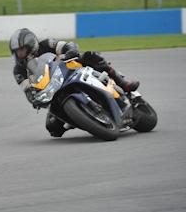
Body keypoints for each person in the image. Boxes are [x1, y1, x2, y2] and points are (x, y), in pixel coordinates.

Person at [9, 28, 140, 137]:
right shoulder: (19, 70)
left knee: (91, 56)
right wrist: (33, 97)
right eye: (17, 52)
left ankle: (123, 83)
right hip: (51, 91)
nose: (20, 54)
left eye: (22, 50)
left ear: (31, 45)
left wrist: (68, 52)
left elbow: (68, 45)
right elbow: (27, 89)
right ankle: (81, 119)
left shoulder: (47, 44)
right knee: (53, 128)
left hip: (69, 71)